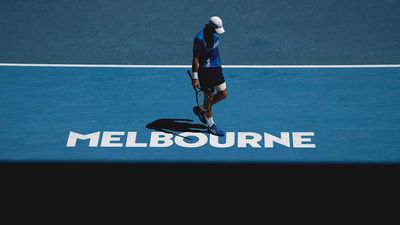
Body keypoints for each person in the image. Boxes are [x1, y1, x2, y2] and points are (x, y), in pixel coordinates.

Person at [190, 16, 227, 137]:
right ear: (211, 27)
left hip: (217, 68)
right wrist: (195, 77)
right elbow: (195, 58)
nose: (218, 32)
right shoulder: (200, 38)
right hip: (206, 72)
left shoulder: (215, 33)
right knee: (208, 100)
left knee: (223, 94)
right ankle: (211, 126)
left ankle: (201, 109)